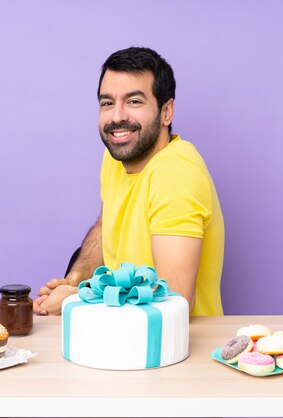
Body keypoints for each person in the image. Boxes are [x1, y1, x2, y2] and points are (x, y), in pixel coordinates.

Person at [33, 47, 224, 316]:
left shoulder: (175, 171)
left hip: (174, 348)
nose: (117, 117)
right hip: (122, 336)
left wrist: (78, 299)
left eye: (134, 101)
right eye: (107, 103)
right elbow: (104, 227)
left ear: (166, 111)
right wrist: (74, 279)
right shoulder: (116, 156)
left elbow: (175, 300)